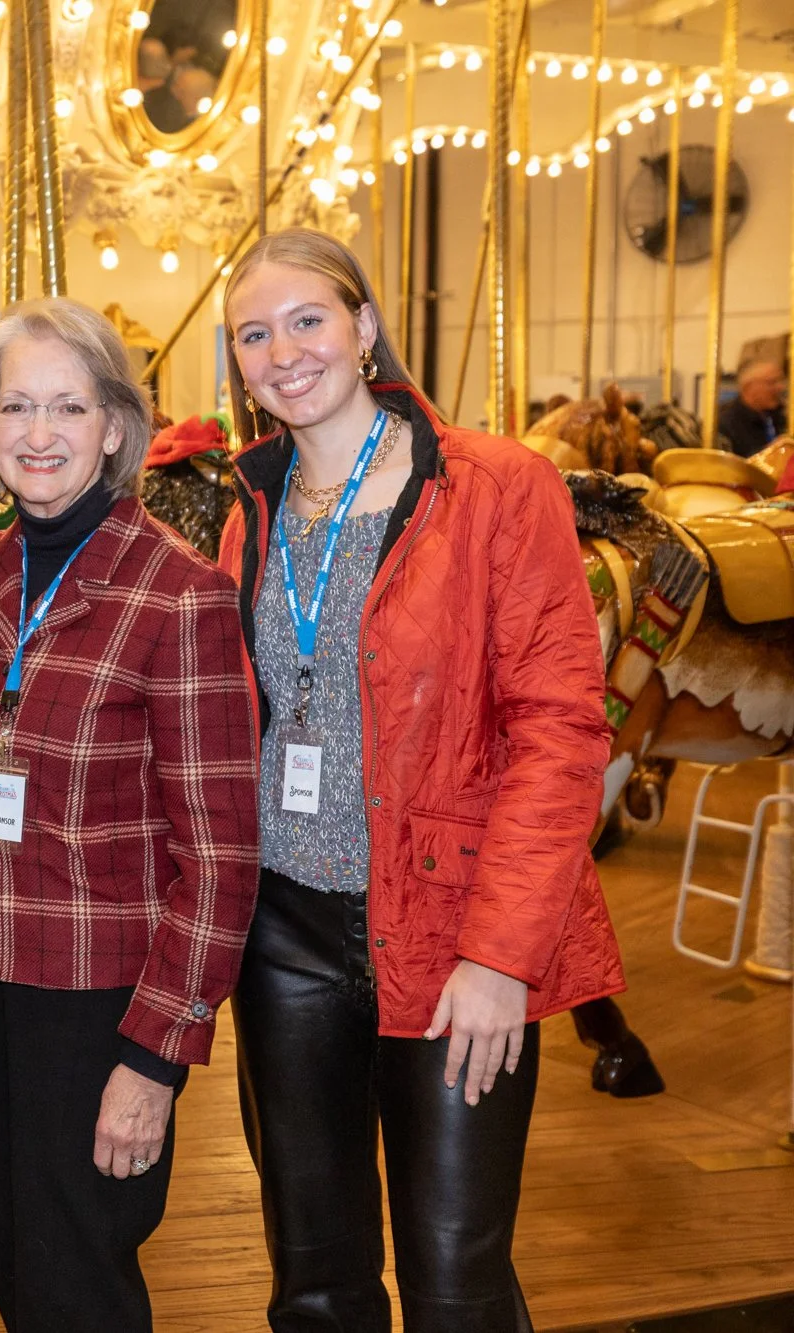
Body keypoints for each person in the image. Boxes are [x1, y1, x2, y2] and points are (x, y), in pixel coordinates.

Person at [219, 226, 626, 1330]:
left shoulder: (495, 486)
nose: (282, 350)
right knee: (312, 1282)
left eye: (306, 319)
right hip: (284, 936)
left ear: (361, 328)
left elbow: (557, 731)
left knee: (455, 1282)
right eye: (252, 334)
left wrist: (501, 955)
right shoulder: (247, 507)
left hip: (452, 931)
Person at [0, 297, 260, 1331]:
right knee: (14, 1259)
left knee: (78, 1283)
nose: (35, 432)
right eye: (12, 405)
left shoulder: (177, 596)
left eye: (66, 406)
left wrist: (154, 1055)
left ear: (114, 425)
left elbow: (220, 853)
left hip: (93, 999)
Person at [716, 356, 787, 457]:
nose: (780, 387)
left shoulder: (781, 416)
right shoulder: (725, 424)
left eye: (781, 381)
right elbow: (728, 467)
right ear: (749, 387)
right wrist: (771, 453)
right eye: (771, 382)